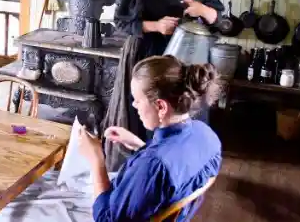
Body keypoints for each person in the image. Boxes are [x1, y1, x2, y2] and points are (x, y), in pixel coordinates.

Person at [102, 0, 225, 171]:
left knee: (187, 109)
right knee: (152, 110)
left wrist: (202, 10)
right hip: (151, 54)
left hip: (190, 58)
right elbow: (121, 22)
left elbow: (219, 20)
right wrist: (156, 25)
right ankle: (145, 164)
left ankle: (186, 164)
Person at [79, 55, 223, 221]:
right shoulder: (207, 135)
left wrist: (96, 160)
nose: (134, 105)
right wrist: (138, 145)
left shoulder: (154, 166)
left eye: (138, 100)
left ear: (161, 106)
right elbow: (171, 167)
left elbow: (107, 219)